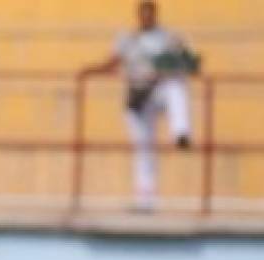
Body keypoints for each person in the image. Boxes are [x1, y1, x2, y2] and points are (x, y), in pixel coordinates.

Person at [84, 1, 199, 211]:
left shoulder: (168, 37)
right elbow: (113, 62)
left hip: (158, 90)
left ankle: (181, 132)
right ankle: (145, 200)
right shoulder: (128, 38)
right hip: (138, 97)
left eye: (150, 14)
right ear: (139, 16)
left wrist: (178, 58)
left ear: (155, 15)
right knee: (144, 148)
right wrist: (90, 70)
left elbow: (190, 62)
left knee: (176, 87)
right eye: (143, 14)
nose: (147, 18)